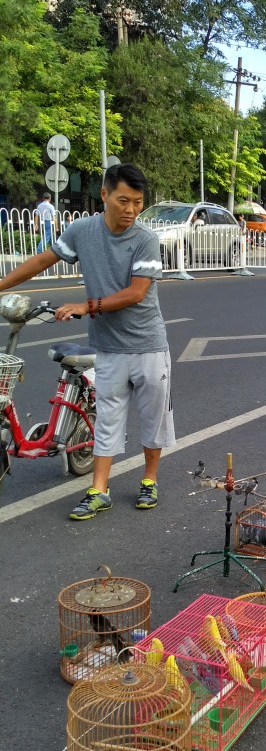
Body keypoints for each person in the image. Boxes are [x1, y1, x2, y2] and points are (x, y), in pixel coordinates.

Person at [0, 163, 174, 521]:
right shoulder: (82, 231)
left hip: (147, 345)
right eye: (123, 200)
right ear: (105, 195)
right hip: (108, 345)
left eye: (138, 202)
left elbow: (136, 293)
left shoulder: (145, 238)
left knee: (152, 418)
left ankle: (149, 479)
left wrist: (85, 305)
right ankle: (99, 489)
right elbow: (43, 260)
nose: (130, 210)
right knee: (108, 417)